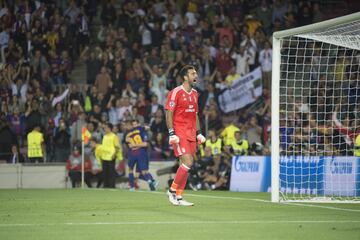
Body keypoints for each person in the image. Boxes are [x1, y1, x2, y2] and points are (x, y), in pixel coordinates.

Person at [165, 65, 206, 206]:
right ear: (185, 77)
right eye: (192, 73)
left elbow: (195, 115)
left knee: (186, 165)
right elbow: (168, 113)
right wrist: (171, 133)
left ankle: (179, 196)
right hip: (179, 132)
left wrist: (199, 133)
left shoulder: (195, 93)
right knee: (188, 162)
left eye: (196, 73)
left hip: (191, 133)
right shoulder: (175, 92)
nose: (196, 76)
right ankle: (172, 191)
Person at [125, 119, 157, 191]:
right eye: (133, 124)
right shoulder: (141, 129)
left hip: (133, 153)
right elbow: (145, 143)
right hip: (140, 152)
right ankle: (151, 181)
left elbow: (130, 145)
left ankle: (132, 186)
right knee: (142, 171)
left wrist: (135, 145)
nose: (134, 126)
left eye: (135, 124)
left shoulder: (127, 134)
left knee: (134, 170)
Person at [101, 123, 120, 188]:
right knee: (105, 172)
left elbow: (117, 147)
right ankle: (105, 186)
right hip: (104, 156)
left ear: (109, 128)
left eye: (105, 127)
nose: (104, 129)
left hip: (111, 156)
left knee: (111, 172)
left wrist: (114, 154)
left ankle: (112, 186)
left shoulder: (114, 136)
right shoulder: (104, 136)